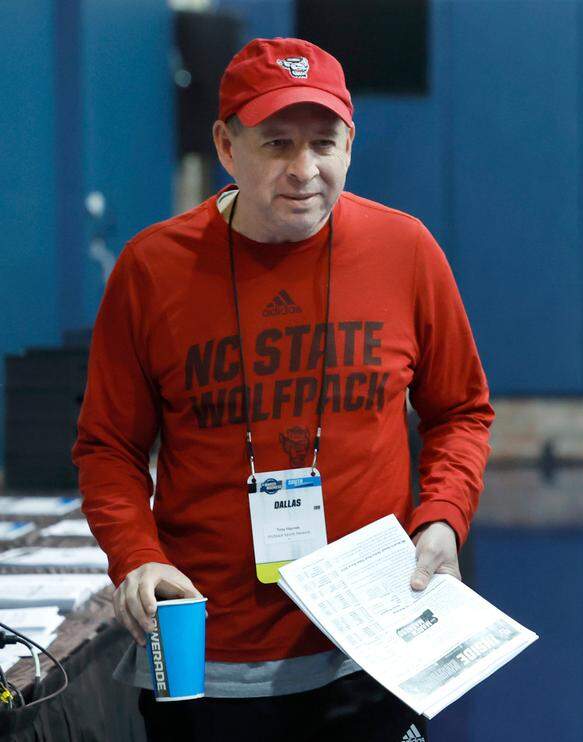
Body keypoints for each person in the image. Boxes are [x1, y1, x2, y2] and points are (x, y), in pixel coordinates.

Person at [73, 37, 492, 742]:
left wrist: (444, 515)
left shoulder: (407, 251)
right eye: (277, 144)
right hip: (202, 652)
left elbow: (461, 411)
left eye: (324, 143)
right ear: (226, 147)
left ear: (350, 145)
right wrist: (136, 554)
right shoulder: (152, 269)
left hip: (372, 647)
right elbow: (107, 446)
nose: (305, 170)